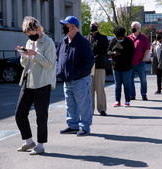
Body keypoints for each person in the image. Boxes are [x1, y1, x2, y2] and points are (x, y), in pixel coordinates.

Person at [15, 16, 56, 155]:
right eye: (28, 35)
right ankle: (28, 141)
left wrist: (35, 54)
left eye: (32, 34)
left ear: (38, 29)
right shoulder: (28, 42)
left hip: (42, 82)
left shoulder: (48, 42)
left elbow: (49, 64)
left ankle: (40, 145)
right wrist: (23, 55)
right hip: (28, 80)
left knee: (41, 116)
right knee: (20, 113)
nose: (30, 37)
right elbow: (24, 64)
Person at [56, 16, 94, 136]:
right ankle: (72, 125)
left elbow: (89, 61)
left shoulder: (83, 42)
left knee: (83, 104)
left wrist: (79, 73)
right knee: (70, 104)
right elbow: (58, 58)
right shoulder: (63, 41)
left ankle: (85, 127)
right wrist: (59, 70)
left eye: (65, 25)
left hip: (80, 80)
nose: (63, 27)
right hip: (67, 80)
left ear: (72, 27)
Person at [107, 26, 134, 107]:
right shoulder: (113, 41)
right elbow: (108, 51)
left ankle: (127, 101)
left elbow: (132, 53)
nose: (119, 38)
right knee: (117, 84)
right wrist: (113, 53)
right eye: (118, 37)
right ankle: (117, 100)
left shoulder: (129, 41)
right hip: (116, 67)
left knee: (126, 84)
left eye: (121, 37)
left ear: (123, 35)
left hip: (126, 67)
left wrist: (127, 61)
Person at [86, 22, 108, 116]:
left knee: (100, 88)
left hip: (99, 65)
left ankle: (102, 108)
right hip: (89, 67)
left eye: (95, 25)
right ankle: (90, 109)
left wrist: (94, 58)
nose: (92, 26)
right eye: (91, 24)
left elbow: (104, 51)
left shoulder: (103, 38)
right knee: (89, 89)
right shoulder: (86, 38)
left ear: (98, 27)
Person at [128, 21, 150, 101]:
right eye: (132, 27)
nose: (133, 28)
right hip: (131, 62)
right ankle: (132, 95)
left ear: (139, 29)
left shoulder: (143, 38)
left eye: (135, 27)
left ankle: (144, 94)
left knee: (143, 79)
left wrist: (143, 59)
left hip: (140, 62)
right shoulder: (129, 38)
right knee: (130, 79)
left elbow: (147, 49)